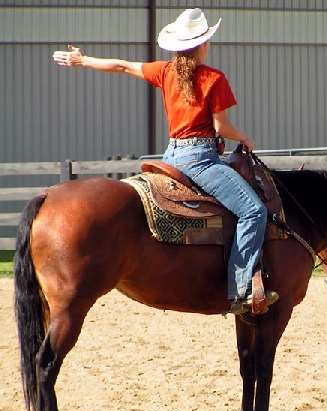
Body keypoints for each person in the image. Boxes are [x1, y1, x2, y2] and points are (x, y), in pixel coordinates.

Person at [52, 8, 278, 314]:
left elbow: (120, 66)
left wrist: (82, 60)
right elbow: (220, 128)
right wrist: (244, 138)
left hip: (171, 155)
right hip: (200, 158)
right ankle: (241, 290)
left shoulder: (165, 72)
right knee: (253, 211)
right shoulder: (214, 78)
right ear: (204, 44)